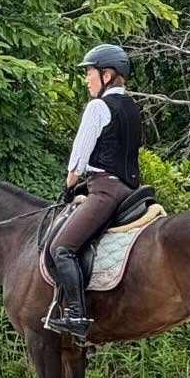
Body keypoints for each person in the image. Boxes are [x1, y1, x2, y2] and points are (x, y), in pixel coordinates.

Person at [47, 44, 142, 340]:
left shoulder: (98, 107)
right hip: (132, 189)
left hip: (106, 191)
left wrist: (69, 182)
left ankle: (76, 315)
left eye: (89, 72)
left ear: (107, 74)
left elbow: (79, 155)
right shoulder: (131, 108)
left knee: (61, 248)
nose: (86, 78)